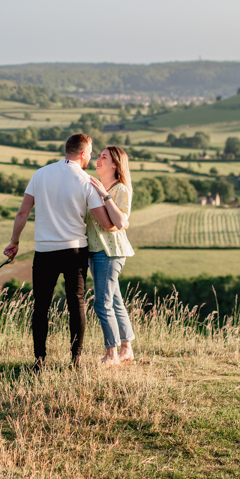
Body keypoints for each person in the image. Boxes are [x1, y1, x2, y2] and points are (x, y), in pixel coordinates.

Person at [4, 133, 117, 370]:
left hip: (44, 251)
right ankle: (75, 360)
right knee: (76, 303)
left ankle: (39, 361)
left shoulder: (40, 174)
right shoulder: (87, 181)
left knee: (41, 306)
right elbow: (107, 223)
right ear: (83, 153)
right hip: (75, 251)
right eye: (91, 152)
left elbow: (22, 212)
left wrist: (15, 241)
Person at [85, 146, 136, 365]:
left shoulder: (120, 189)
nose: (98, 159)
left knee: (102, 304)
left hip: (110, 252)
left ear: (115, 164)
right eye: (99, 155)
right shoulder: (93, 185)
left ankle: (111, 354)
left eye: (104, 157)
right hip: (95, 250)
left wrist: (105, 195)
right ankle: (126, 349)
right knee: (115, 302)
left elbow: (121, 222)